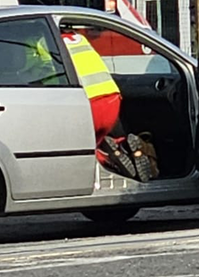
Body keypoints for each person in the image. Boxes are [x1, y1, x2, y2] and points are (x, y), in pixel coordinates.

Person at [59, 29, 155, 182]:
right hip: (111, 98)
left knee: (89, 148)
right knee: (110, 134)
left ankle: (109, 159)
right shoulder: (79, 38)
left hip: (87, 105)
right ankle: (126, 148)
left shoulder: (45, 43)